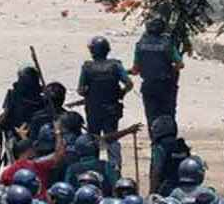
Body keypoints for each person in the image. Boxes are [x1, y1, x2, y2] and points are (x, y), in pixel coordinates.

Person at [78, 36, 133, 172]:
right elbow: (129, 83)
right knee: (112, 139)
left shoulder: (87, 67)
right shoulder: (115, 66)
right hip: (111, 109)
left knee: (92, 140)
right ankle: (115, 170)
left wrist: (89, 95)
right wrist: (121, 93)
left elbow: (80, 90)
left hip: (93, 109)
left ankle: (92, 170)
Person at [129, 17, 184, 130]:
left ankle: (155, 142)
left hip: (149, 86)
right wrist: (171, 70)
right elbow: (180, 64)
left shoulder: (140, 45)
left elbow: (135, 69)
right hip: (166, 86)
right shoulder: (167, 44)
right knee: (169, 115)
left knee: (151, 116)